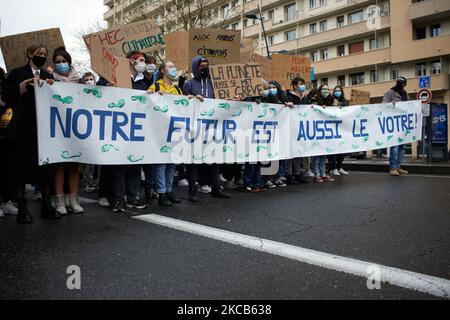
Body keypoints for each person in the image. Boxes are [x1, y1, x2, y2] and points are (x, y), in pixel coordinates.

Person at [2, 44, 60, 223]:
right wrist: (23, 86)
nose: (42, 56)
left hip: (43, 129)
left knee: (46, 169)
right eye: (38, 54)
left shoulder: (48, 76)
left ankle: (46, 205)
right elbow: (7, 96)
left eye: (44, 54)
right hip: (22, 129)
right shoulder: (17, 73)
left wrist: (53, 88)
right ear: (29, 54)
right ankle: (22, 208)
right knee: (20, 168)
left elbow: (58, 99)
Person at [182, 56, 231, 202]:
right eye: (202, 65)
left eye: (206, 65)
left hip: (212, 126)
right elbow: (182, 102)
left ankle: (215, 188)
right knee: (194, 159)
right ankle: (193, 190)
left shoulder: (214, 84)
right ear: (196, 67)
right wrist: (190, 98)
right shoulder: (189, 84)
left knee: (214, 157)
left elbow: (221, 100)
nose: (205, 68)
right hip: (195, 127)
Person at [111, 51, 149, 212]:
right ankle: (118, 199)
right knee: (119, 165)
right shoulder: (117, 78)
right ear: (131, 61)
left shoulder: (143, 82)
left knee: (134, 164)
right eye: (141, 60)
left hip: (136, 127)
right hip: (120, 126)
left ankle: (133, 197)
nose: (143, 63)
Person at [50, 47, 84, 215]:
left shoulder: (80, 81)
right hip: (58, 127)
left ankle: (73, 200)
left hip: (77, 128)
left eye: (63, 61)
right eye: (57, 62)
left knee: (74, 166)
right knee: (59, 166)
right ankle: (59, 201)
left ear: (69, 62)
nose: (61, 64)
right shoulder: (50, 79)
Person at [147, 62, 182, 207]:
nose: (173, 69)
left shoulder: (178, 90)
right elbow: (147, 100)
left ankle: (168, 190)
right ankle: (161, 192)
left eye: (174, 66)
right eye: (170, 66)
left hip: (173, 130)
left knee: (171, 162)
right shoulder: (155, 86)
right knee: (161, 163)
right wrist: (153, 95)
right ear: (162, 70)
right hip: (159, 130)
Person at [285, 77, 311, 185]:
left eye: (303, 84)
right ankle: (289, 174)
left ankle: (297, 173)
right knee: (290, 152)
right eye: (300, 84)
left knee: (299, 151)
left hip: (301, 128)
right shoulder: (288, 96)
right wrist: (287, 105)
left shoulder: (305, 98)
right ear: (295, 86)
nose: (302, 86)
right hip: (290, 128)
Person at [383, 77, 409, 177]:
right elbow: (383, 105)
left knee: (402, 147)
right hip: (393, 125)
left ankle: (398, 166)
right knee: (394, 146)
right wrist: (390, 104)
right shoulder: (390, 93)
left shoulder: (405, 94)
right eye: (399, 83)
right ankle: (393, 168)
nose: (401, 85)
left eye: (402, 83)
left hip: (403, 124)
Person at [311, 84, 335, 183]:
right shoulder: (315, 100)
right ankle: (316, 174)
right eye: (323, 89)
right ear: (319, 91)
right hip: (317, 130)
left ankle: (323, 174)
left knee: (323, 155)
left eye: (327, 89)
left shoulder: (331, 100)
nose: (325, 90)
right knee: (316, 154)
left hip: (326, 131)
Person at [328, 85, 350, 177]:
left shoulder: (345, 101)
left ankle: (340, 167)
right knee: (334, 150)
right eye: (336, 90)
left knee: (342, 149)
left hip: (342, 128)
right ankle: (333, 168)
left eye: (339, 90)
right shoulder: (330, 100)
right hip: (332, 127)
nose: (337, 92)